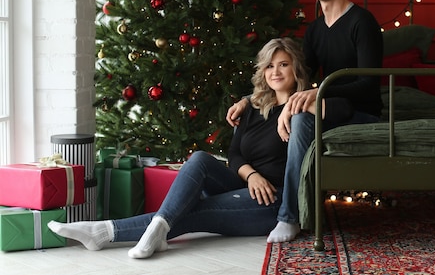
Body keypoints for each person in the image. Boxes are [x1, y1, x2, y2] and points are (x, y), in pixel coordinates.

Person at [48, 38, 312, 259]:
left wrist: (260, 180)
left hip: (270, 201)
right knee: (198, 158)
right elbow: (234, 155)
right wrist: (251, 175)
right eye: (269, 66)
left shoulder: (303, 113)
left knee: (194, 212)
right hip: (244, 184)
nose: (275, 71)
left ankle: (105, 231)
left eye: (283, 65)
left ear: (296, 69)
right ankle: (150, 227)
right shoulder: (253, 107)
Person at [227, 0, 383, 243]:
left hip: (361, 113)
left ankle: (289, 216)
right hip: (326, 108)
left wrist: (315, 93)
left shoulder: (363, 22)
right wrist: (250, 99)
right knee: (298, 115)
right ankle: (285, 204)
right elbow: (294, 78)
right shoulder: (313, 31)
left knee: (299, 116)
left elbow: (368, 85)